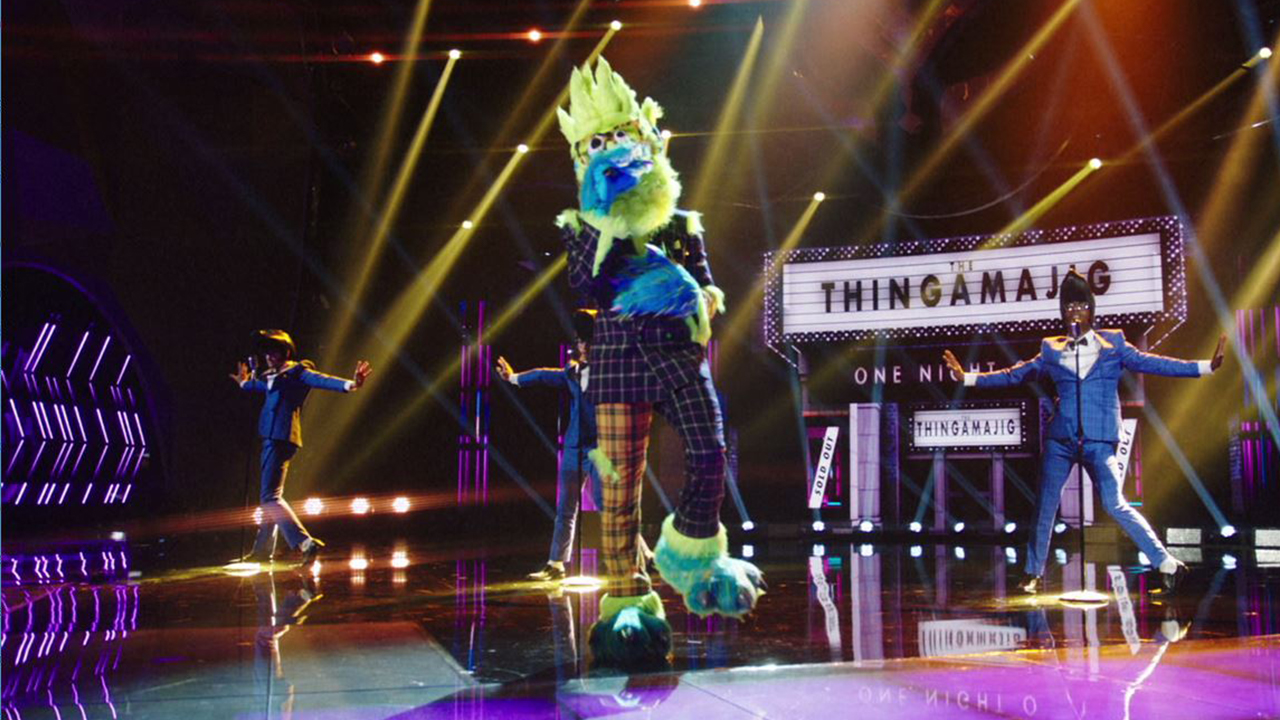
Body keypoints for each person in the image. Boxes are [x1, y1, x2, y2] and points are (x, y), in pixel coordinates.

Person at [555, 57, 762, 667]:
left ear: (647, 141)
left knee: (710, 452)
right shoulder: (584, 225)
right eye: (600, 146)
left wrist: (699, 295)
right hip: (619, 358)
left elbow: (707, 281)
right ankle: (628, 604)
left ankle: (693, 555)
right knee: (618, 490)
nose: (616, 153)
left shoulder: (681, 222)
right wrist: (604, 215)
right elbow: (583, 286)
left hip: (678, 353)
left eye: (624, 139)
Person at [944, 268, 1225, 596]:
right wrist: (967, 378)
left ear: (1091, 309)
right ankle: (1032, 572)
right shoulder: (1051, 349)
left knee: (1114, 503)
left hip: (1099, 440)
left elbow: (1154, 363)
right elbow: (1015, 374)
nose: (1074, 311)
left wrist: (1204, 367)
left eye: (1080, 305)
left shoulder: (1114, 343)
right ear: (1062, 313)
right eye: (1068, 307)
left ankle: (1166, 563)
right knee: (1046, 506)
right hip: (1061, 440)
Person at [496, 310, 620, 582]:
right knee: (565, 508)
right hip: (574, 447)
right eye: (580, 341)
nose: (582, 346)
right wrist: (513, 378)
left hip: (601, 449)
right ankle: (556, 564)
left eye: (587, 341)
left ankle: (640, 557)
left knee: (608, 506)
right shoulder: (571, 372)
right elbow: (542, 374)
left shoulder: (610, 370)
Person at [230, 329, 372, 566]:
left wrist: (352, 384)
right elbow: (259, 386)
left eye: (273, 352)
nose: (269, 357)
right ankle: (262, 551)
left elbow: (323, 380)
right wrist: (244, 383)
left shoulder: (297, 372)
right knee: (268, 497)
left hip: (281, 437)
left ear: (285, 352)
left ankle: (305, 542)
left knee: (271, 497)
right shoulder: (272, 376)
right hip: (271, 437)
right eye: (267, 352)